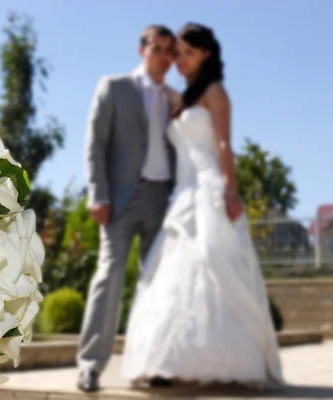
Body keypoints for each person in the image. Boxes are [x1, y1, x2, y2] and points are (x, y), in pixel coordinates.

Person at [120, 23, 285, 389]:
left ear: (206, 54)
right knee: (171, 275)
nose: (179, 60)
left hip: (210, 187)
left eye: (187, 53)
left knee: (214, 262)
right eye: (177, 54)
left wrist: (231, 191)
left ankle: (230, 361)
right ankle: (167, 362)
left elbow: (224, 144)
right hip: (182, 193)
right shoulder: (183, 99)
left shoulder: (215, 92)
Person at [77, 24, 178, 393]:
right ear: (142, 50)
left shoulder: (175, 98)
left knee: (158, 286)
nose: (164, 56)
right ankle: (90, 365)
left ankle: (155, 364)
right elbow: (95, 144)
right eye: (157, 48)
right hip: (119, 199)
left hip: (163, 200)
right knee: (110, 277)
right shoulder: (115, 87)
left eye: (170, 51)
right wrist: (97, 194)